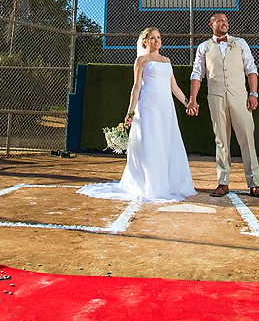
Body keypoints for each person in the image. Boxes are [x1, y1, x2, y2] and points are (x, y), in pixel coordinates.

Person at [78, 28, 197, 203]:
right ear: (145, 42)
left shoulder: (167, 61)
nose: (156, 41)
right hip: (148, 106)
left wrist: (188, 103)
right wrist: (130, 112)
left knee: (166, 143)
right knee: (150, 143)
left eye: (158, 37)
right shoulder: (141, 60)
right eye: (152, 38)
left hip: (166, 108)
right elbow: (136, 88)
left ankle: (168, 184)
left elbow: (174, 87)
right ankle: (151, 185)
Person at [186, 13, 259, 198]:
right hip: (216, 97)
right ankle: (223, 183)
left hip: (239, 96)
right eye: (220, 21)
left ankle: (255, 184)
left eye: (226, 21)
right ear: (211, 24)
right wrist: (193, 99)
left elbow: (251, 69)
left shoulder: (240, 43)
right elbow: (197, 74)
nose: (224, 23)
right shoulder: (203, 47)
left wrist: (253, 94)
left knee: (247, 138)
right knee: (221, 139)